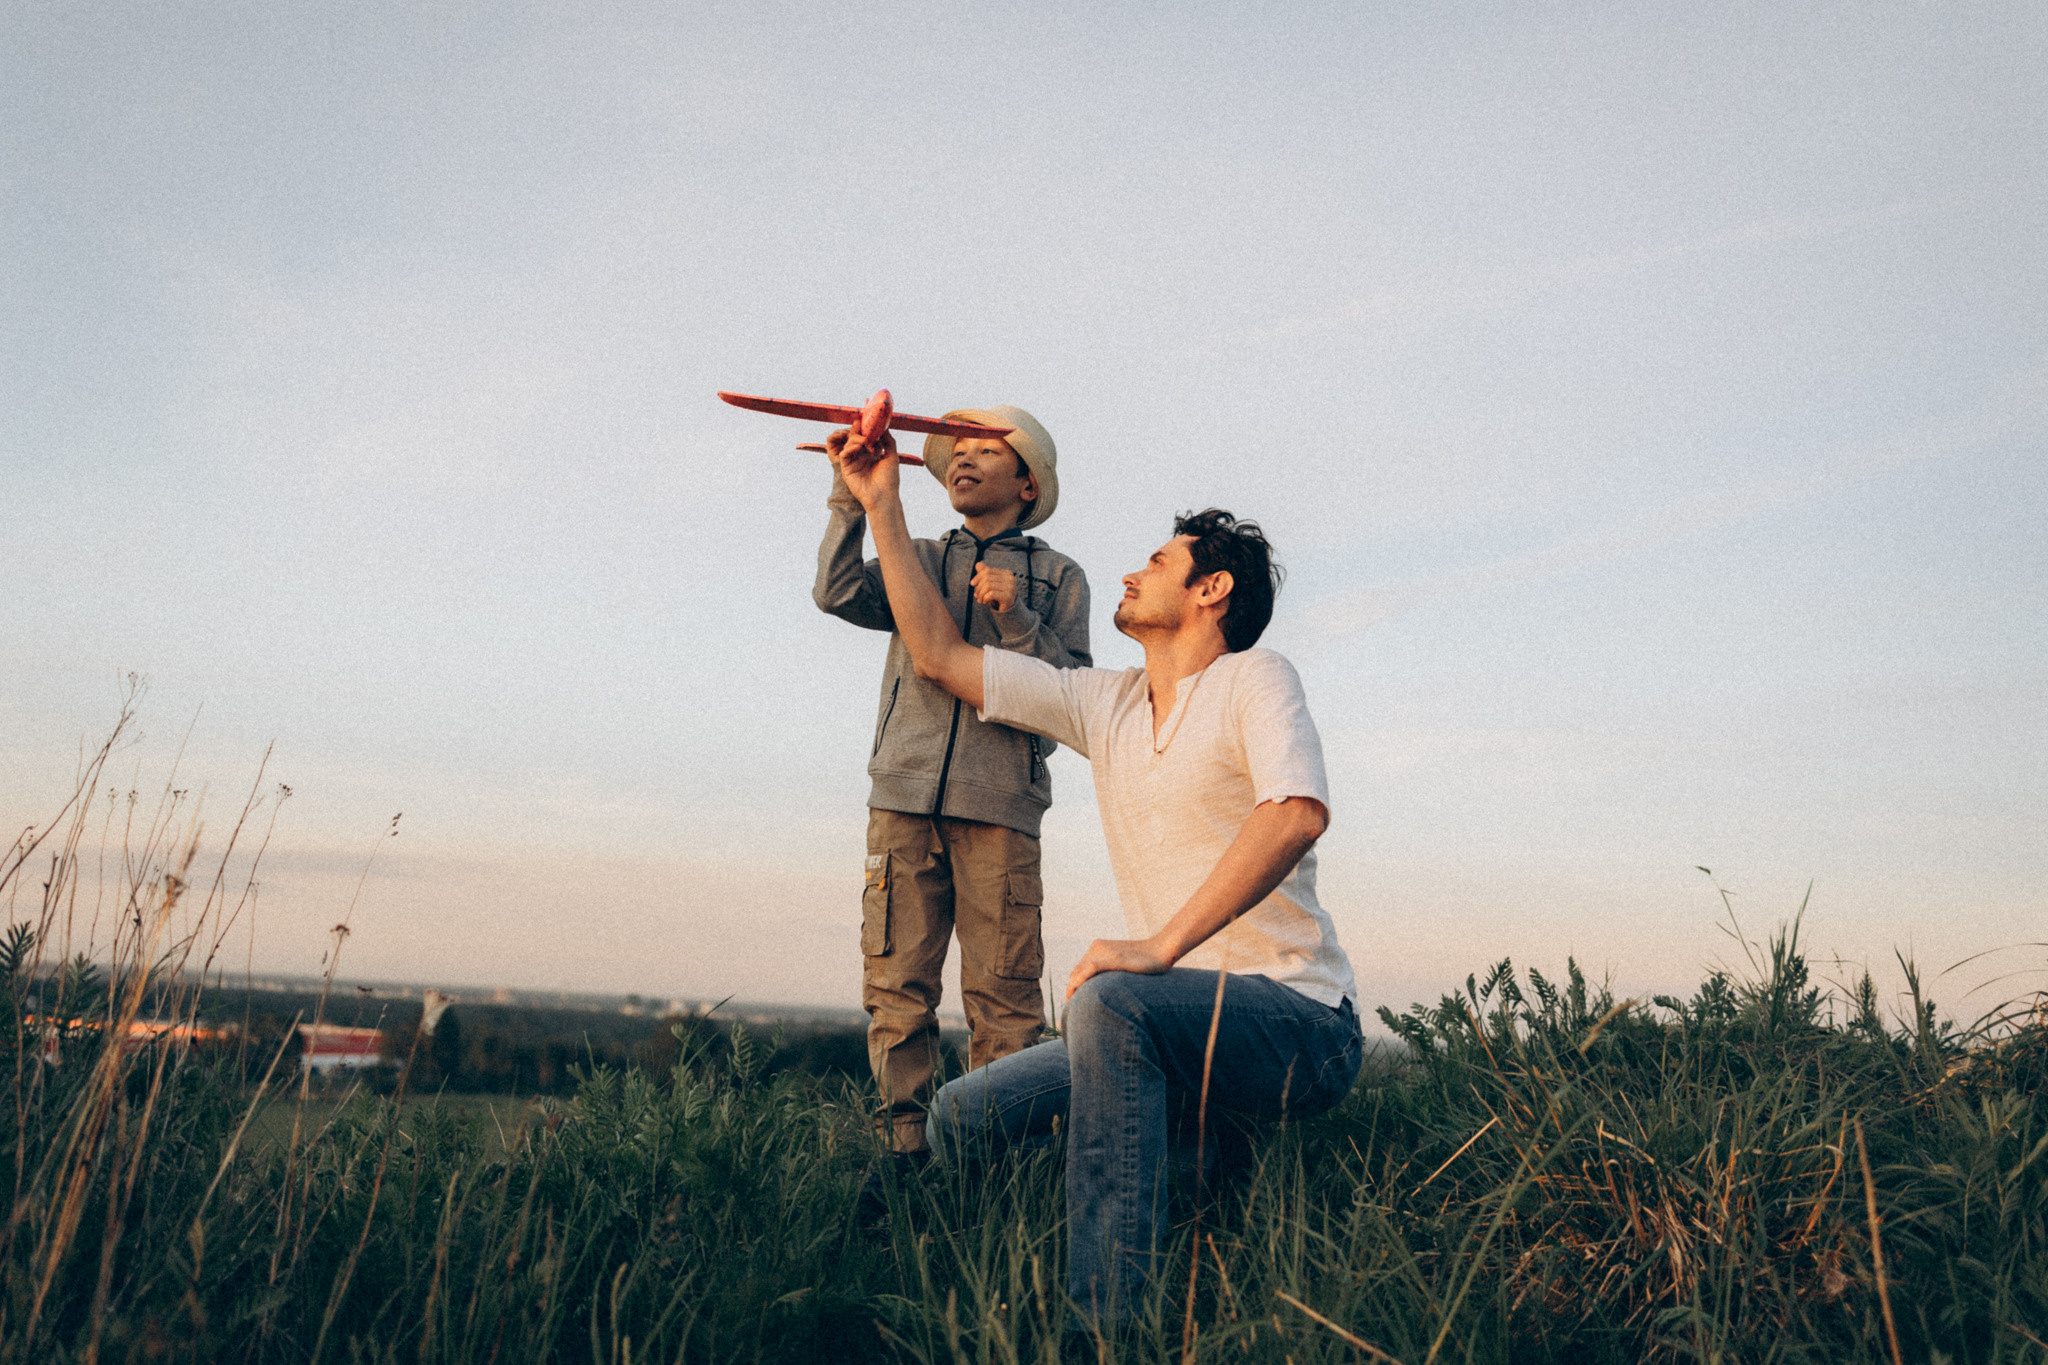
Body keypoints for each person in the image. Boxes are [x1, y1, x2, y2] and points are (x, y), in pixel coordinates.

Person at [833, 436, 1362, 1327]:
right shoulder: (1104, 702)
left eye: (1158, 561)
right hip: (1178, 1024)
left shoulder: (1253, 678)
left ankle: (1104, 1329)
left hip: (1298, 1022)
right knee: (961, 1117)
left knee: (1112, 1001)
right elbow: (939, 657)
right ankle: (1186, 1166)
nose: (1130, 573)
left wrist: (1156, 948)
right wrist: (880, 501)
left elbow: (1295, 812)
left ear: (1211, 589)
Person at [813, 405, 1091, 1166]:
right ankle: (902, 1159)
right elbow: (836, 592)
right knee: (897, 990)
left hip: (1002, 812)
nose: (960, 461)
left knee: (1003, 1000)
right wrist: (850, 499)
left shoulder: (1061, 576)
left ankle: (986, 1168)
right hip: (898, 800)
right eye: (952, 453)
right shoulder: (919, 554)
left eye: (982, 451)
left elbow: (1077, 700)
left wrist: (1018, 618)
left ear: (1026, 481)